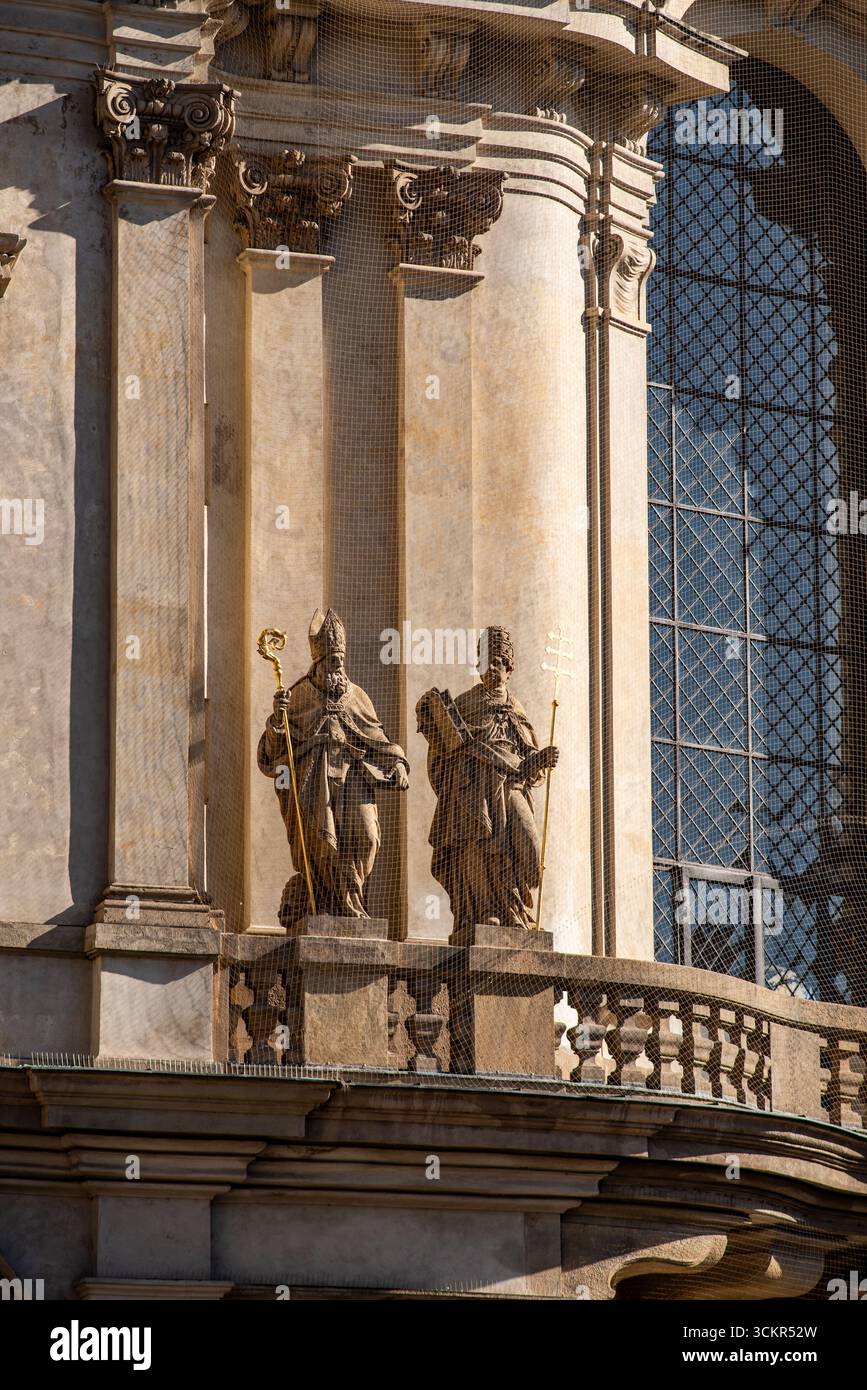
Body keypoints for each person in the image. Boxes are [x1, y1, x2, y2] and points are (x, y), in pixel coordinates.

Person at [258, 608, 409, 928]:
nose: (338, 665)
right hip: (314, 785)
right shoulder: (297, 696)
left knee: (368, 837)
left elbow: (378, 739)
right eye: (332, 660)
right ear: (318, 662)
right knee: (323, 844)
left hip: (354, 781)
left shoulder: (357, 697)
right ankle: (330, 906)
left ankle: (352, 899)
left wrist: (397, 763)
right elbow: (272, 757)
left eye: (341, 659)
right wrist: (277, 720)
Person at [416, 626, 558, 934]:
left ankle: (516, 908)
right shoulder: (466, 703)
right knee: (477, 847)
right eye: (484, 661)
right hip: (473, 792)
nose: (490, 668)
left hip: (510, 789)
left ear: (508, 668)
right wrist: (434, 720)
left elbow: (529, 767)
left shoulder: (516, 709)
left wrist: (541, 760)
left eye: (496, 661)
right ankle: (486, 912)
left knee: (529, 846)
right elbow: (443, 750)